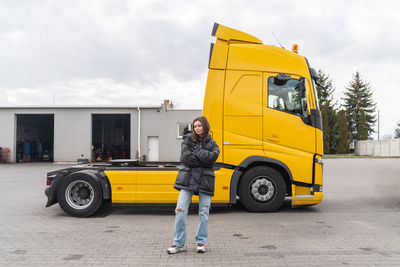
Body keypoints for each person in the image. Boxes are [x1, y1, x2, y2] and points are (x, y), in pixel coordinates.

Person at [167, 116, 220, 254]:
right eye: (195, 126)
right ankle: (178, 243)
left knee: (204, 213)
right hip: (188, 179)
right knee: (180, 210)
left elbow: (212, 159)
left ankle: (201, 242)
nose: (197, 128)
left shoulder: (212, 143)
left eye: (199, 126)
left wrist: (197, 152)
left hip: (205, 180)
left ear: (205, 126)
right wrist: (204, 158)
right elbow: (185, 159)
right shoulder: (187, 140)